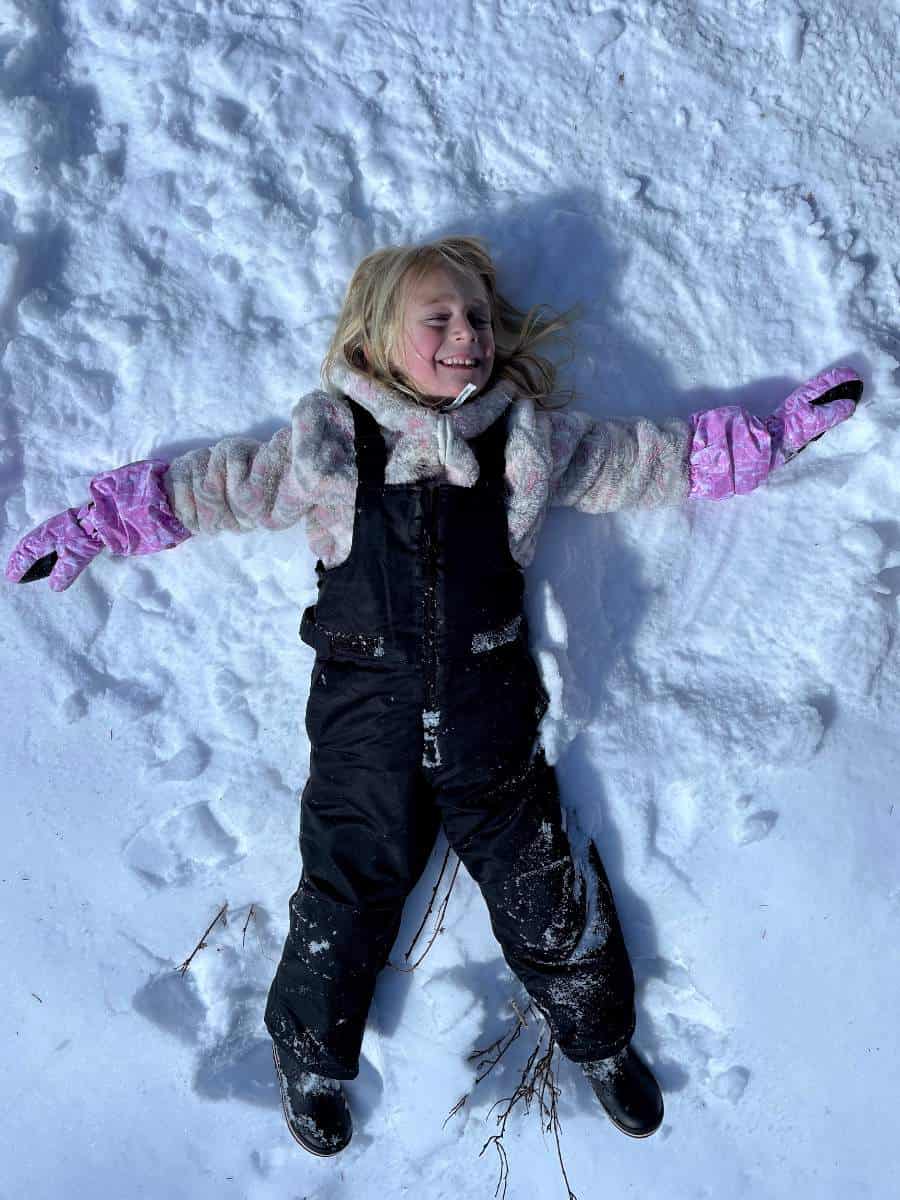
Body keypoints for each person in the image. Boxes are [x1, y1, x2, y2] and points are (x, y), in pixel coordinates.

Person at [6, 235, 862, 1155]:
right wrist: (93, 525)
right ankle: (312, 1058)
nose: (468, 334)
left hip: (489, 710)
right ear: (376, 343)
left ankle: (601, 1039)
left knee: (541, 884)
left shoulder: (528, 442)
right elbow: (208, 489)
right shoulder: (329, 447)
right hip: (360, 721)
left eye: (479, 318)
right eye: (440, 319)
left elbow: (652, 458)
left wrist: (773, 437)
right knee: (345, 886)